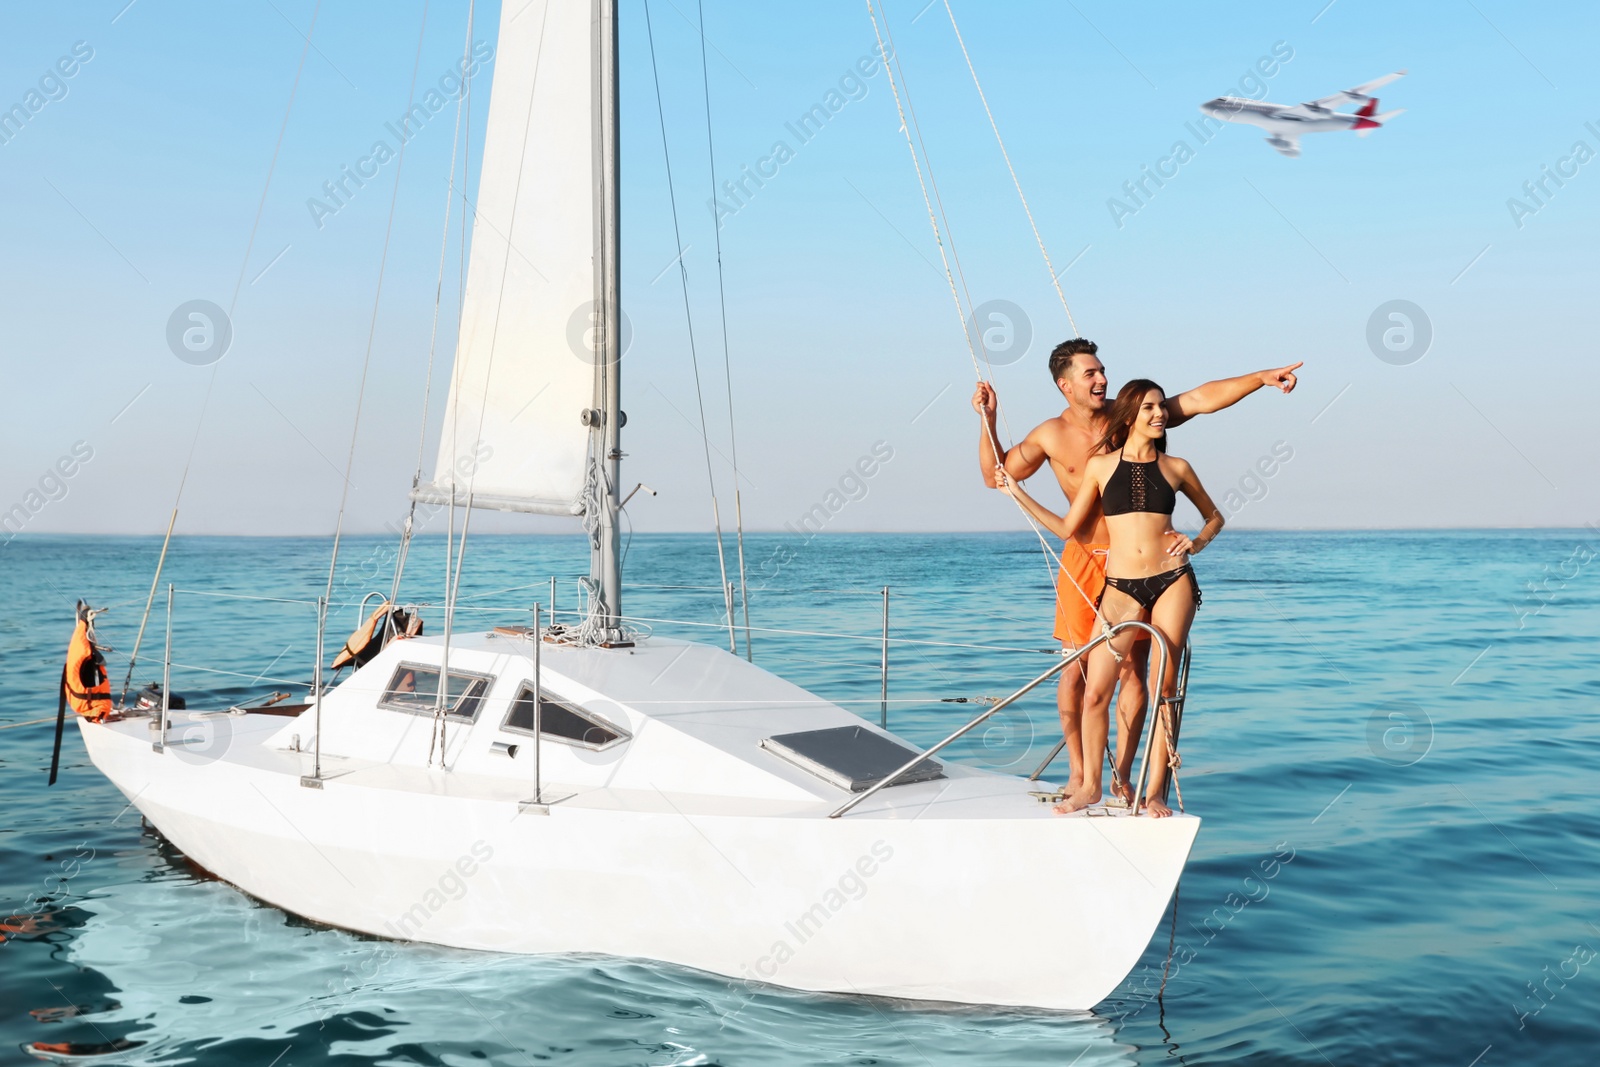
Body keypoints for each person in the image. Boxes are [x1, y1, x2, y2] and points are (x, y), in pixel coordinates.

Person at [973, 339, 1297, 805]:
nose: (1101, 378)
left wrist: (1260, 378)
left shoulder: (1128, 418)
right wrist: (988, 419)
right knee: (1076, 673)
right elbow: (996, 476)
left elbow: (1200, 399)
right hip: (1085, 560)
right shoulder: (1049, 434)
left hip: (1143, 565)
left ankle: (1125, 778)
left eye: (1102, 370)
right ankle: (1081, 776)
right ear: (1065, 385)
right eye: (1090, 374)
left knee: (1136, 674)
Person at [998, 379, 1223, 816]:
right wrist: (1017, 492)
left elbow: (1214, 516)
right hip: (1120, 586)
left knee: (1163, 687)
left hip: (1172, 581)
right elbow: (1067, 528)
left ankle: (1153, 790)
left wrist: (1195, 543)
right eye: (1149, 409)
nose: (1160, 415)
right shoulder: (1100, 467)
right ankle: (1091, 787)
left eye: (1161, 407)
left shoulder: (1177, 467)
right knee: (1096, 690)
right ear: (1129, 417)